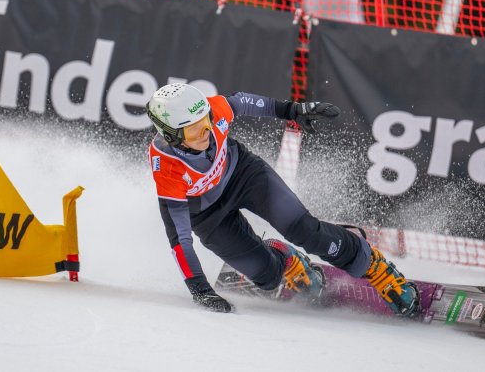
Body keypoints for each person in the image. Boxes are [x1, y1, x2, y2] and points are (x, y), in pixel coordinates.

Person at [145, 83, 419, 316]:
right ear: (171, 136)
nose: (205, 133)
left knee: (306, 231)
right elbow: (179, 239)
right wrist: (200, 290)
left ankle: (374, 266)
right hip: (206, 215)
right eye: (193, 131)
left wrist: (291, 111)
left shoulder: (214, 110)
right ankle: (287, 261)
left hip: (243, 175)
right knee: (266, 277)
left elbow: (243, 103)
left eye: (205, 122)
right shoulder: (166, 167)